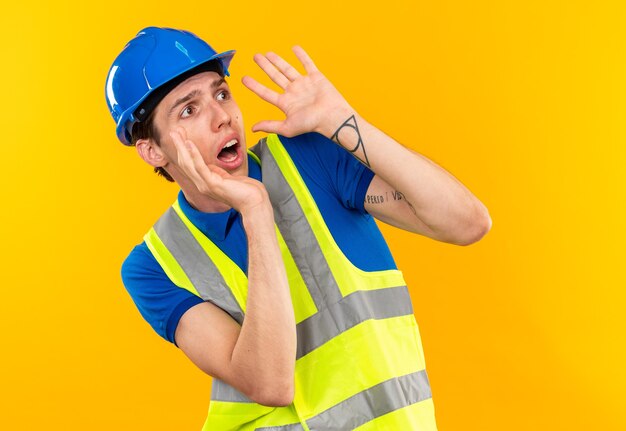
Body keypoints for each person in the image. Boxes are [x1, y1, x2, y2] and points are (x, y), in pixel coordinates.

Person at [106, 26, 491, 431]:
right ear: (152, 150)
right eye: (189, 110)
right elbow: (269, 384)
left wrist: (343, 121)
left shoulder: (310, 158)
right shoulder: (153, 267)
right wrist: (255, 209)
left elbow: (467, 223)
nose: (223, 117)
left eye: (221, 94)